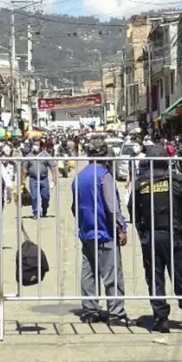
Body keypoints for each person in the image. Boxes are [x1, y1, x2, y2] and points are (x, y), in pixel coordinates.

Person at [129, 146, 182, 333]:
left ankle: (161, 318)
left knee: (155, 278)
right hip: (172, 234)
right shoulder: (176, 180)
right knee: (180, 276)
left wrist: (142, 231)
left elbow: (133, 209)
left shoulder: (141, 183)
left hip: (150, 235)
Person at [71, 138, 129, 326]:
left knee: (89, 273)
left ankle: (90, 311)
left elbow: (74, 207)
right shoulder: (104, 175)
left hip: (86, 231)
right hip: (105, 231)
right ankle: (116, 313)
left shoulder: (79, 177)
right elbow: (112, 206)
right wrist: (121, 227)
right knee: (112, 275)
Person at [22, 138, 57, 218]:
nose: (35, 146)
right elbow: (24, 169)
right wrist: (23, 180)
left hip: (44, 179)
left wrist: (54, 178)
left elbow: (52, 167)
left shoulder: (46, 155)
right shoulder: (29, 156)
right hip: (33, 179)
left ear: (41, 146)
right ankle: (36, 212)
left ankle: (45, 208)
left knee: (45, 196)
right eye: (34, 144)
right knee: (34, 196)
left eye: (37, 145)